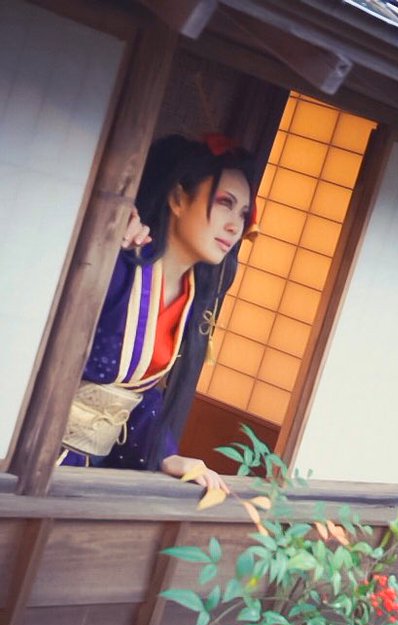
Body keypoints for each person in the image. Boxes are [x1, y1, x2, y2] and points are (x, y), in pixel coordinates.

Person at [60, 134, 257, 492]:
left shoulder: (191, 298)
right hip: (32, 450)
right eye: (225, 203)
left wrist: (167, 456)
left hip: (88, 471)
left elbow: (139, 396)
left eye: (243, 213)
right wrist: (106, 227)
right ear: (178, 198)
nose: (234, 225)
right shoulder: (119, 263)